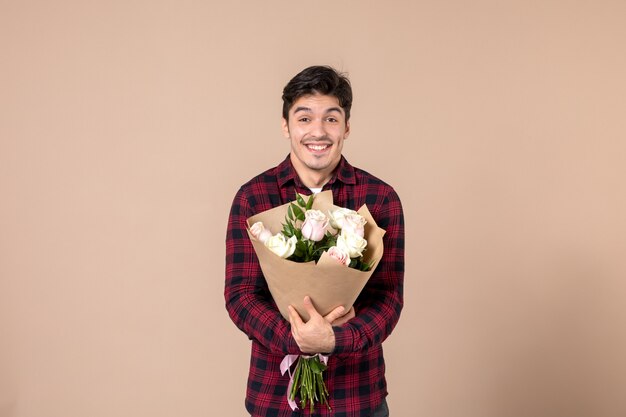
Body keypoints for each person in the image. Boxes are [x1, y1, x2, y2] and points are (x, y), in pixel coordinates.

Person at [225, 65, 405, 417]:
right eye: (304, 118)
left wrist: (337, 339)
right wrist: (296, 339)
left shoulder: (381, 199)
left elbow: (389, 299)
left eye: (331, 119)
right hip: (275, 398)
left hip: (357, 396)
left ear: (347, 127)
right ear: (286, 125)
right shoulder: (253, 198)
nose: (318, 132)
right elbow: (240, 295)